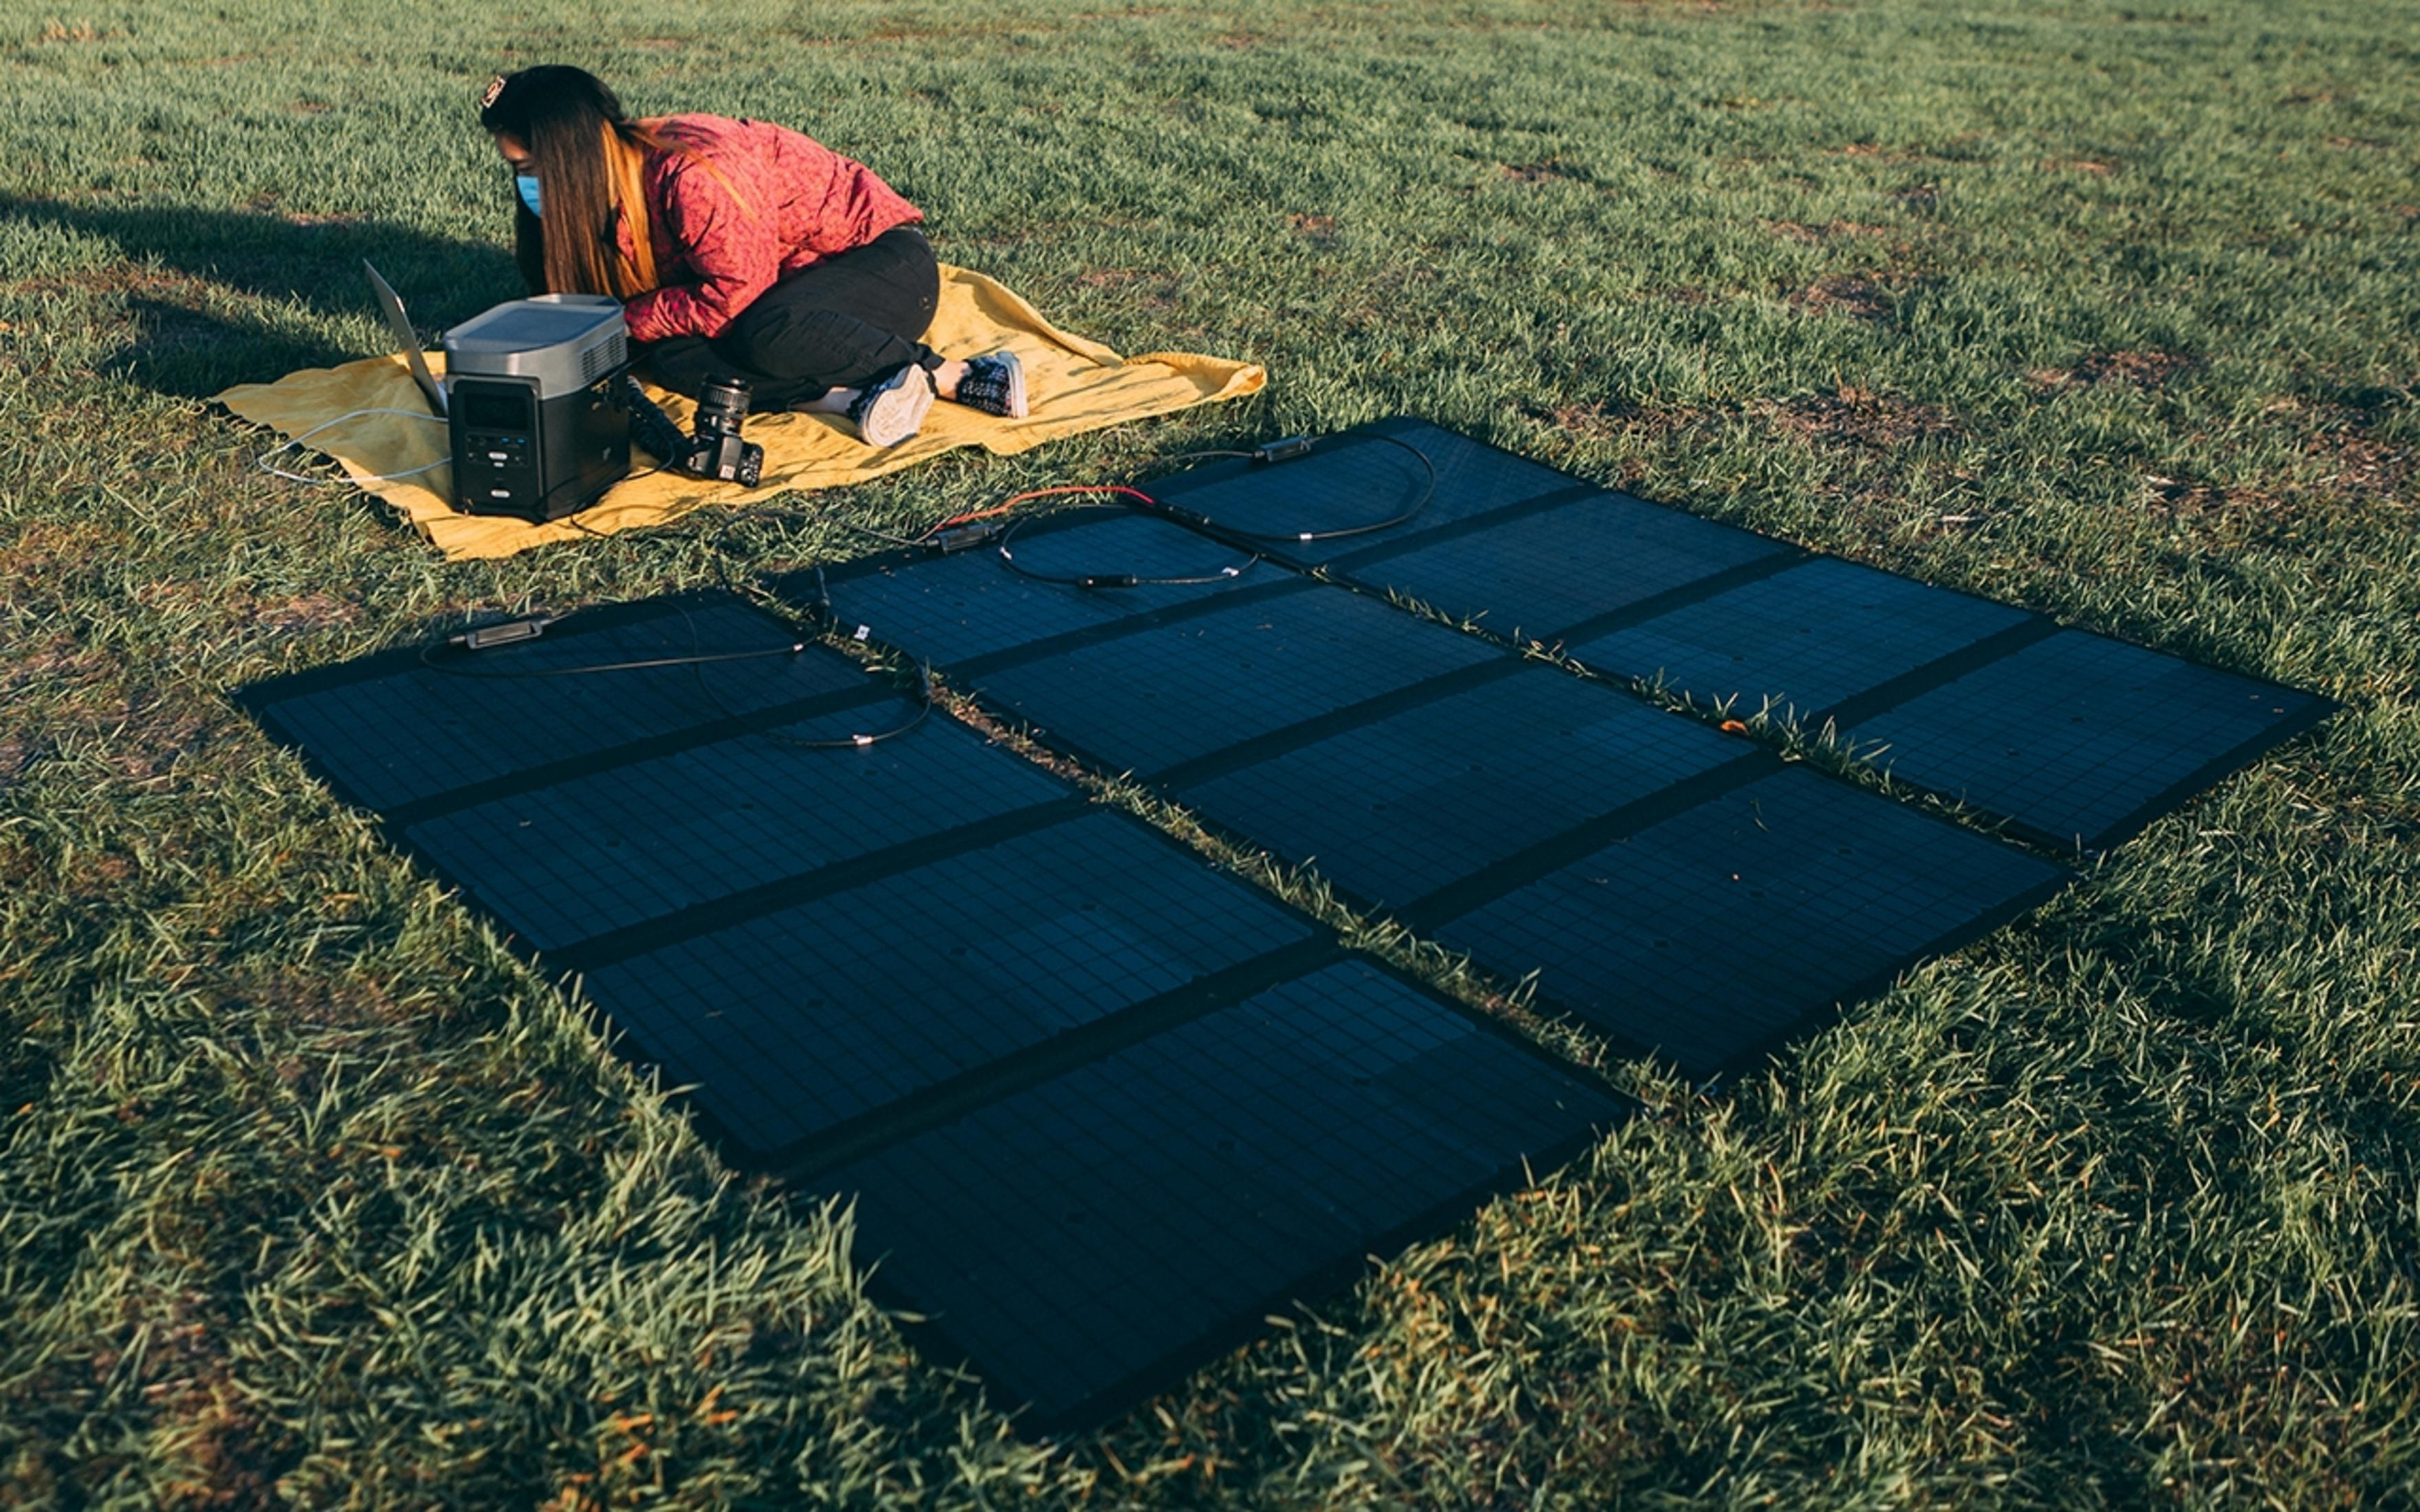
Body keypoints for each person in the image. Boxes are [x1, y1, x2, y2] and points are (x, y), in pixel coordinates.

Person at [475, 66, 1024, 447]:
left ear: (572, 154)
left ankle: (958, 375)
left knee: (767, 331)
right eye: (515, 170)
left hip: (879, 264)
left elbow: (732, 296)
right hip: (783, 293)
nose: (525, 185)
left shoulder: (692, 173)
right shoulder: (607, 182)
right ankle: (850, 399)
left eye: (529, 169)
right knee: (671, 358)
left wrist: (623, 321)